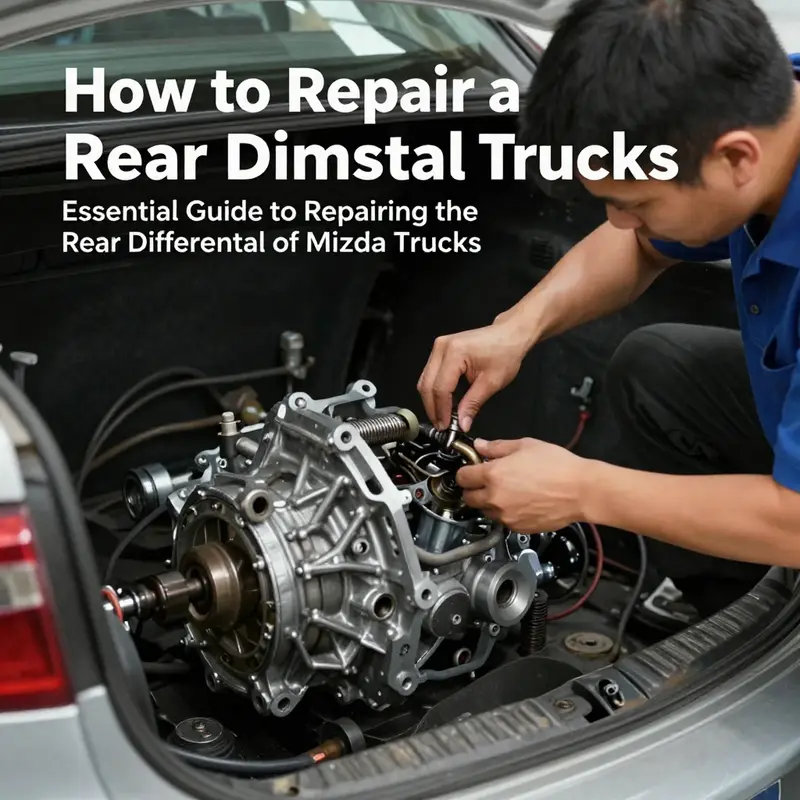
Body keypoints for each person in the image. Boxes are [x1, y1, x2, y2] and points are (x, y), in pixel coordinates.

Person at [416, 0, 800, 615]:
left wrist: (586, 490)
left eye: (637, 201)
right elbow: (637, 245)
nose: (620, 222)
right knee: (661, 368)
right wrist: (515, 329)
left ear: (735, 160)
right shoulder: (757, 104)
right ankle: (737, 608)